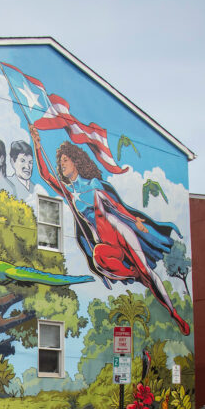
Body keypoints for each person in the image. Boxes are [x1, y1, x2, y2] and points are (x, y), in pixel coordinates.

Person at [29, 127, 190, 336]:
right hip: (104, 241)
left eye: (65, 160)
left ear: (76, 161)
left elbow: (116, 206)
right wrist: (37, 145)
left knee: (147, 272)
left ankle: (174, 313)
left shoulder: (94, 184)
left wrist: (136, 221)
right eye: (60, 163)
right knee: (98, 258)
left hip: (117, 229)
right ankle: (133, 274)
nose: (62, 165)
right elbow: (45, 175)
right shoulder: (70, 193)